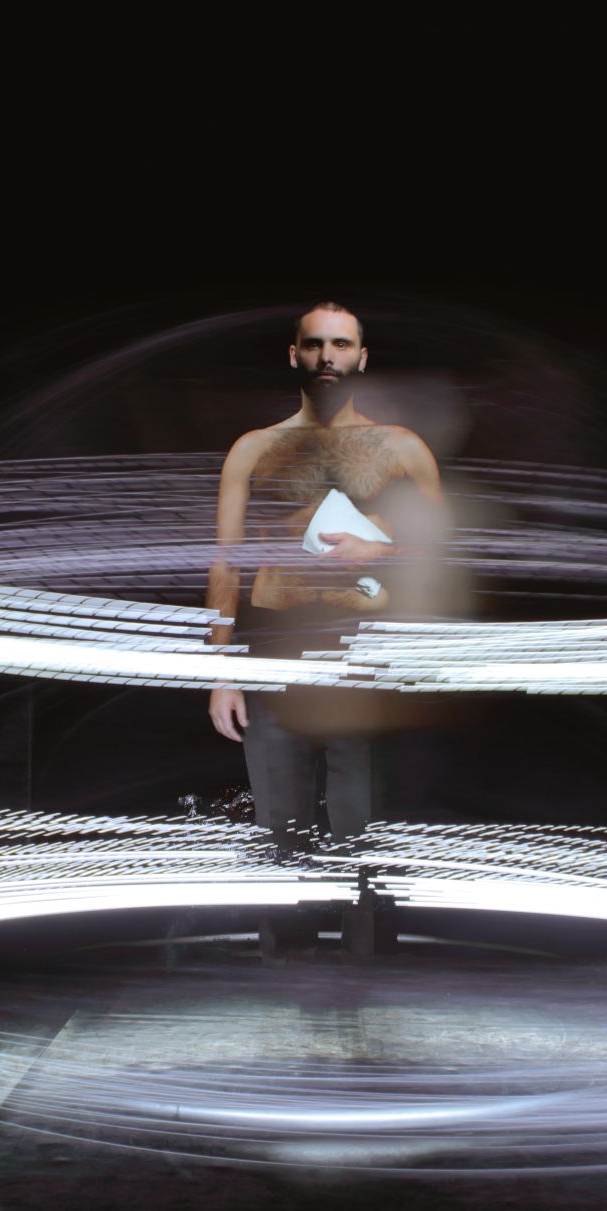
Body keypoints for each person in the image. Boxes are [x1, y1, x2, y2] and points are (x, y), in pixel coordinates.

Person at [206, 302, 445, 841]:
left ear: (362, 356)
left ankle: (363, 915)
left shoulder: (402, 448)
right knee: (279, 838)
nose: (326, 356)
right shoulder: (254, 448)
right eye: (314, 344)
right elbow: (227, 560)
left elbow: (444, 557)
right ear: (295, 356)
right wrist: (221, 673)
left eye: (340, 345)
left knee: (362, 839)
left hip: (365, 652)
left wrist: (378, 552)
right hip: (275, 645)